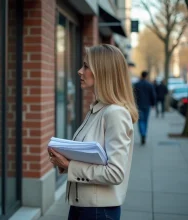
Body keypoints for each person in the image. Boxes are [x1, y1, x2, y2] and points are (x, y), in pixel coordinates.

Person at [48, 44, 138, 220]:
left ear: (103, 71)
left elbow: (115, 173)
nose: (80, 71)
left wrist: (70, 166)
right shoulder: (97, 109)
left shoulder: (115, 113)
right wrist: (64, 161)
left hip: (98, 211)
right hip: (82, 206)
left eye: (86, 66)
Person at [134, 71, 156, 145]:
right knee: (146, 121)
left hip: (139, 105)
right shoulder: (149, 85)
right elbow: (153, 95)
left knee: (140, 121)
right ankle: (144, 134)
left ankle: (142, 133)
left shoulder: (137, 84)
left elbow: (134, 95)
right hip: (147, 105)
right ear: (146, 76)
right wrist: (153, 104)